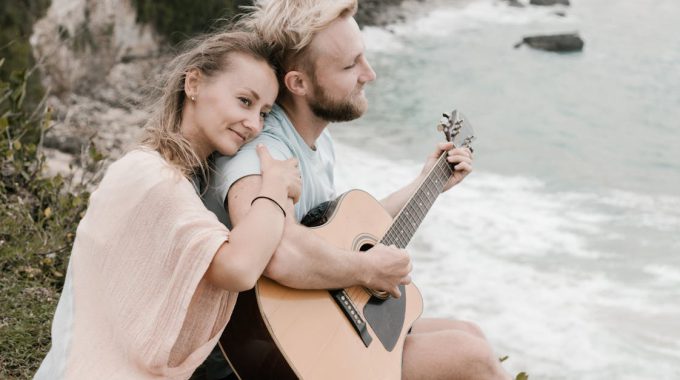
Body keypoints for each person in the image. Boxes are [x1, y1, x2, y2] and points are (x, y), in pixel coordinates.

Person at [203, 1, 512, 379]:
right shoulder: (261, 151)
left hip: (314, 331)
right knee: (471, 356)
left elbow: (334, 235)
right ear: (298, 83)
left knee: (469, 333)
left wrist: (427, 185)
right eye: (351, 66)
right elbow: (277, 252)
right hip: (256, 361)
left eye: (363, 58)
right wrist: (367, 268)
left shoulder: (315, 137)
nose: (370, 74)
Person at [34, 30, 301, 380]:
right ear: (193, 84)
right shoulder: (151, 175)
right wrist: (275, 188)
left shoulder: (176, 179)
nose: (254, 125)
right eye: (244, 101)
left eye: (264, 113)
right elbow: (239, 268)